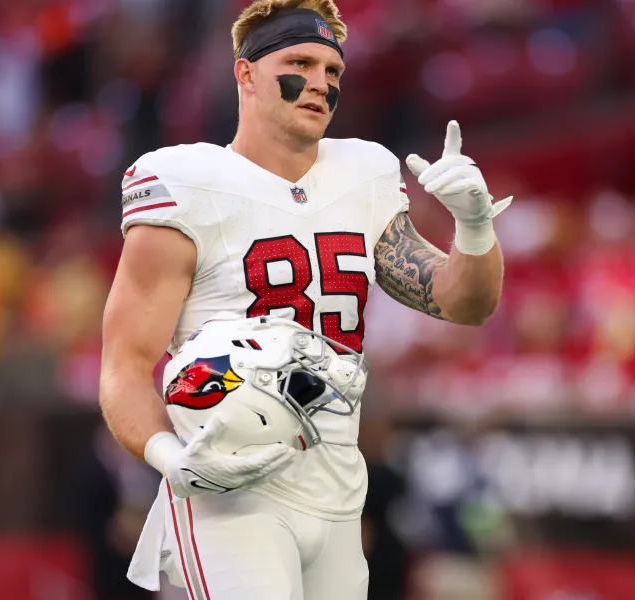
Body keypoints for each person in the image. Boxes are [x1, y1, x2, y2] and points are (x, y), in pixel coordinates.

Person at [99, 1, 511, 598]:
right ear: (245, 74)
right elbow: (125, 363)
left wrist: (474, 228)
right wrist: (170, 457)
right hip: (231, 478)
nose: (320, 81)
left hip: (338, 479)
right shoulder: (185, 183)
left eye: (333, 71)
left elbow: (465, 303)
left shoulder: (362, 173)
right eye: (300, 62)